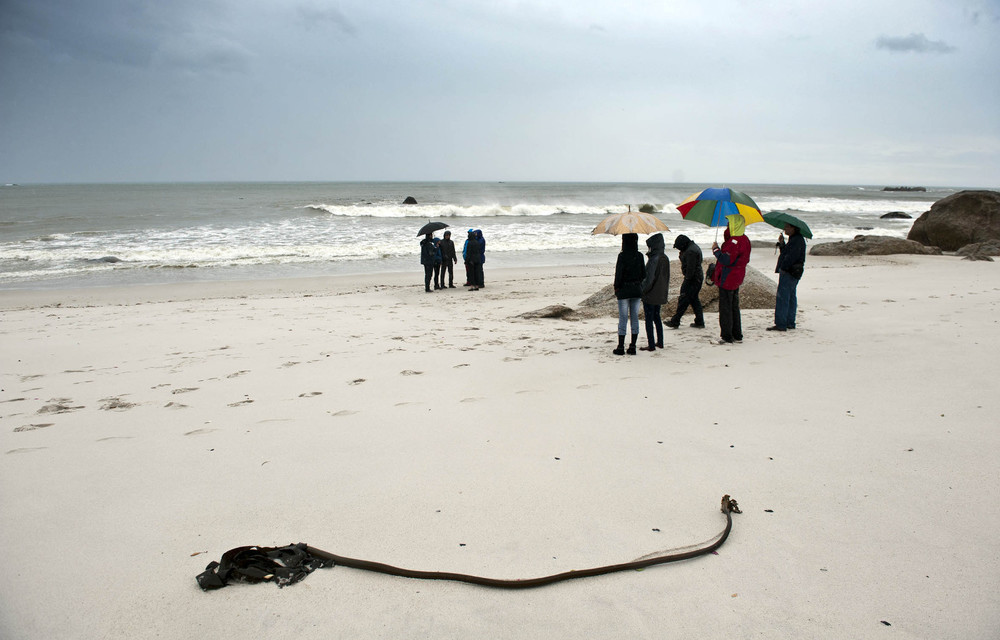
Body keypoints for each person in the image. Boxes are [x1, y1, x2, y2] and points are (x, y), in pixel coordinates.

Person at [711, 215, 751, 344]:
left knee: (726, 307)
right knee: (734, 306)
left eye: (729, 225)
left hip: (728, 277)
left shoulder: (734, 242)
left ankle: (727, 336)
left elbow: (726, 260)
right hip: (736, 277)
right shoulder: (745, 239)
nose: (727, 227)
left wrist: (716, 250)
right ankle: (737, 334)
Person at [767, 223, 807, 331]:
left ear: (794, 228)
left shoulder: (797, 240)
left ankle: (781, 323)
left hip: (790, 271)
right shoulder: (795, 239)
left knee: (783, 297)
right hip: (794, 271)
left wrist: (783, 267)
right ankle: (789, 322)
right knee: (791, 297)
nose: (785, 229)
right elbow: (787, 253)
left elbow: (791, 257)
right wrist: (782, 244)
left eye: (787, 227)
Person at [612, 233, 646, 355]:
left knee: (623, 318)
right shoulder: (640, 256)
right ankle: (633, 346)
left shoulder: (622, 256)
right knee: (634, 318)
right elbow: (644, 274)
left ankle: (620, 346)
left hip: (624, 290)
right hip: (636, 289)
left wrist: (616, 287)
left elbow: (618, 274)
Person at [665, 234, 705, 329]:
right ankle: (699, 321)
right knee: (694, 299)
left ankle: (676, 320)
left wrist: (687, 280)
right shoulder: (693, 248)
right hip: (697, 278)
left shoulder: (690, 251)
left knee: (684, 299)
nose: (679, 250)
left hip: (692, 279)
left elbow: (689, 269)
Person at [639, 233, 670, 351]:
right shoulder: (665, 258)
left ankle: (651, 345)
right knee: (657, 318)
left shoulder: (654, 259)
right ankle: (660, 342)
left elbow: (649, 279)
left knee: (649, 320)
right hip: (660, 293)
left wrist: (642, 291)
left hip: (651, 294)